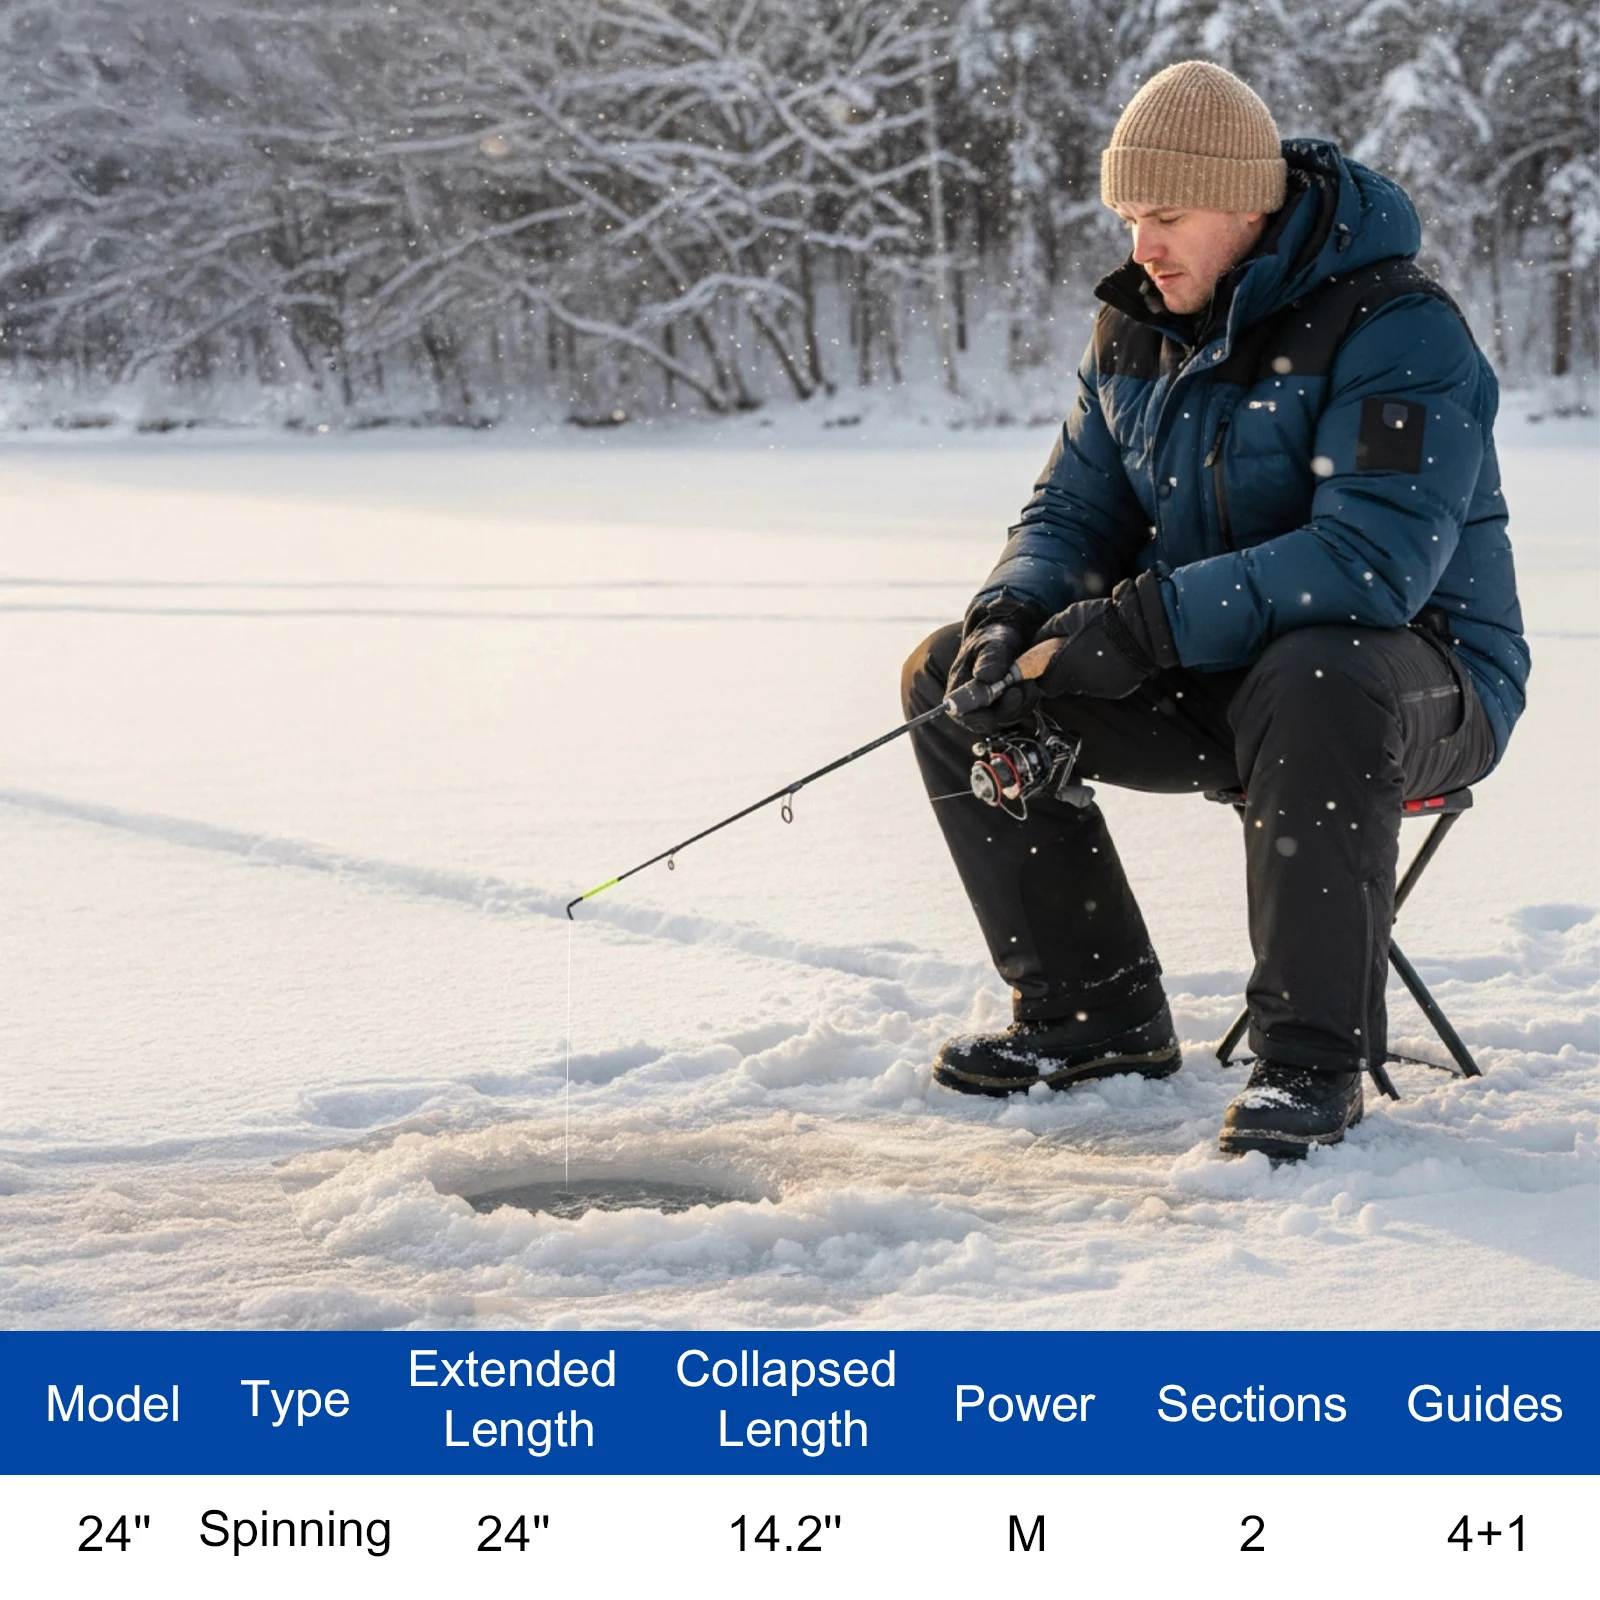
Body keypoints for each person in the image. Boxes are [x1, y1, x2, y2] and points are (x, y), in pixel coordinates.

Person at [902, 60, 1528, 1160]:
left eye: (1167, 216)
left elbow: (1373, 563)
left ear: (1248, 205)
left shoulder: (1399, 329)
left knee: (1318, 671)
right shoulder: (1134, 331)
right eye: (1128, 215)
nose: (1142, 244)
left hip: (1420, 682)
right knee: (950, 679)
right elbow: (1069, 513)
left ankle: (1308, 1060)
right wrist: (1011, 616)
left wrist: (1142, 628)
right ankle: (1092, 1013)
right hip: (1223, 670)